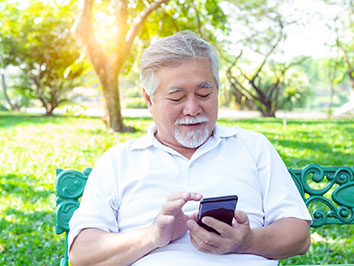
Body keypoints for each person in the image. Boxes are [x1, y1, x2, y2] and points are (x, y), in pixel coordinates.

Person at [68, 31, 312, 266]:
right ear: (149, 99)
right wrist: (152, 236)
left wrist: (246, 241)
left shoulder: (253, 147)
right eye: (177, 98)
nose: (193, 108)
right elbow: (82, 254)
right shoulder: (118, 161)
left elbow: (298, 236)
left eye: (204, 94)